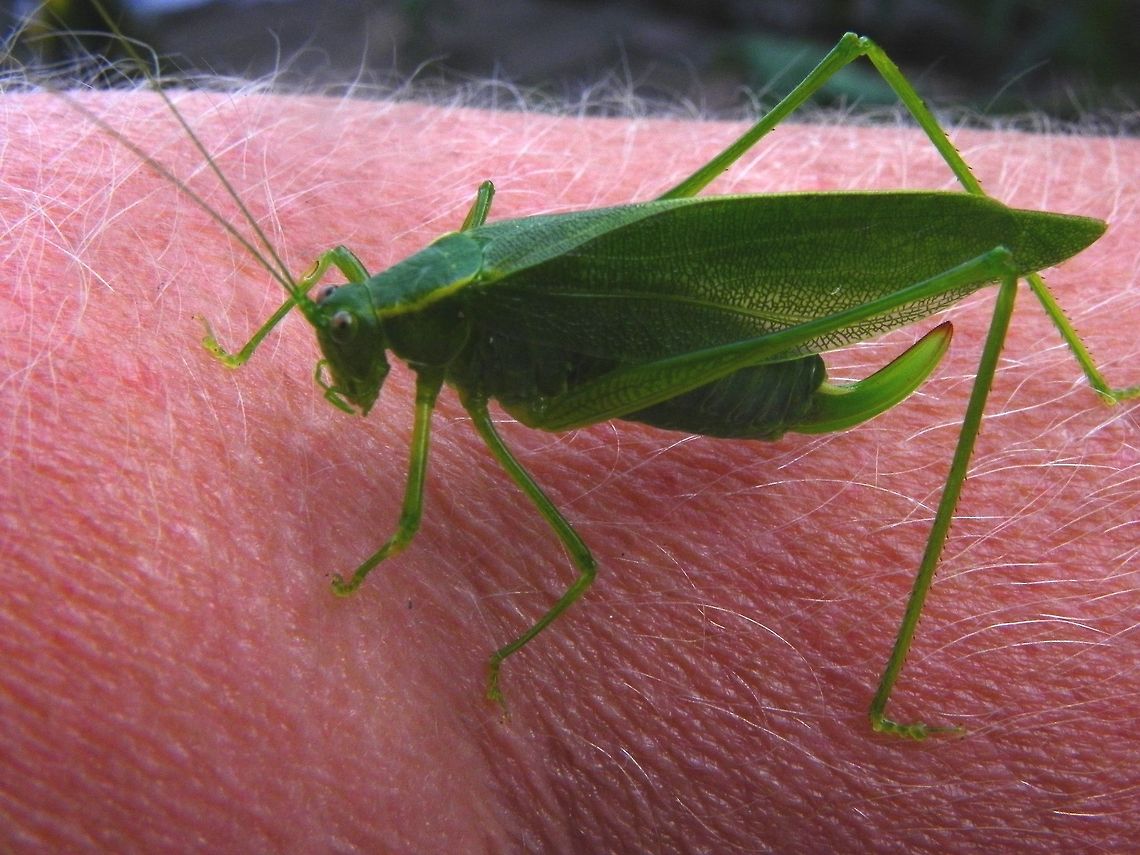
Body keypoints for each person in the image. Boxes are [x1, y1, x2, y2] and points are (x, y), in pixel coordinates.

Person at [2, 89, 1136, 851]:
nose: (342, 336)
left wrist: (396, 558)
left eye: (346, 333)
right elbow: (348, 272)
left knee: (979, 245)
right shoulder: (387, 295)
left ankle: (890, 691)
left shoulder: (437, 335)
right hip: (584, 320)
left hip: (720, 371)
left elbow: (573, 560)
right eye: (338, 327)